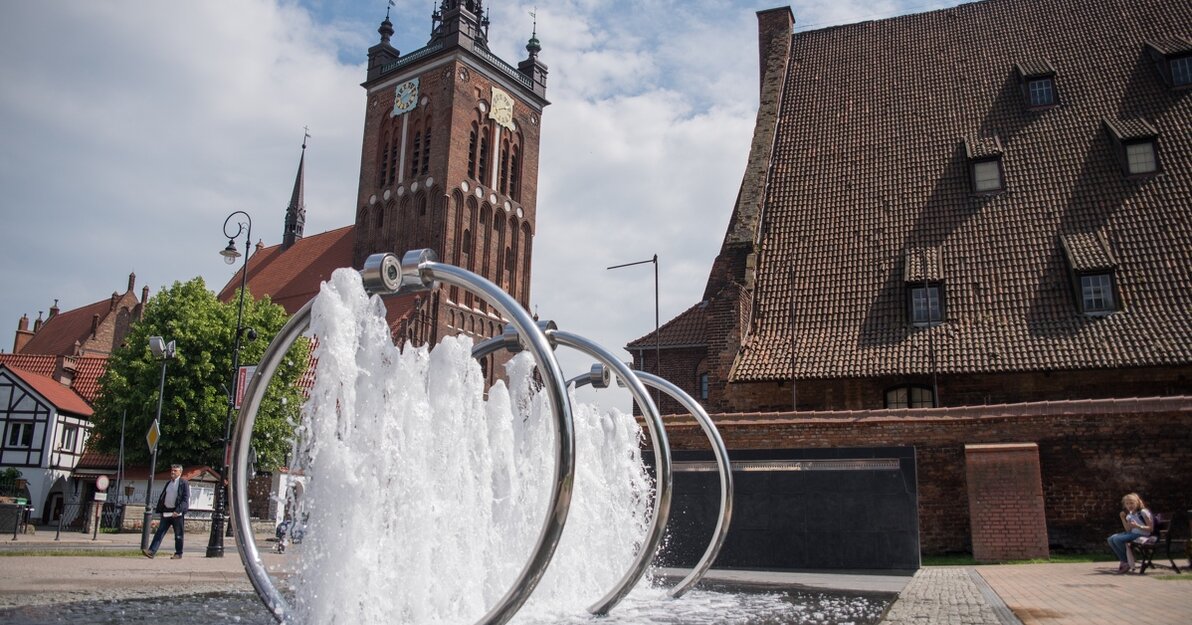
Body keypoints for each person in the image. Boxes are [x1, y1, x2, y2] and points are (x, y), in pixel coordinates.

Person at [143, 464, 190, 560]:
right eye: (172, 470)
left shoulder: (183, 483)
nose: (172, 472)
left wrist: (178, 510)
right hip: (167, 512)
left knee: (178, 534)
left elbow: (185, 499)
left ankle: (178, 553)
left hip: (177, 513)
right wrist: (161, 508)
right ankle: (152, 551)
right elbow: (163, 496)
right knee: (160, 532)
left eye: (175, 471)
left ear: (180, 472)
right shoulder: (169, 483)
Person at [1107, 492, 1152, 574]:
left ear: (1137, 503)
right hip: (1132, 533)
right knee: (1110, 539)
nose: (1129, 505)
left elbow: (1150, 528)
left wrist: (1138, 526)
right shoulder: (1129, 515)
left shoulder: (1143, 512)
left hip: (1142, 534)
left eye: (1132, 503)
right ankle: (1125, 561)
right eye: (1127, 504)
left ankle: (1125, 562)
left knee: (1117, 539)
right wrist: (1123, 518)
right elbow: (1128, 529)